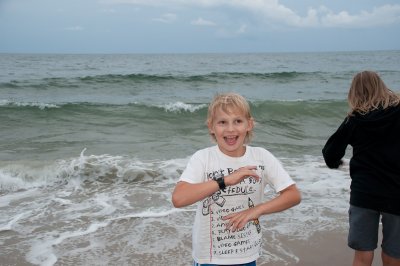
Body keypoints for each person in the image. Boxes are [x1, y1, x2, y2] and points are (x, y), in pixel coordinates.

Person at [172, 92, 301, 265]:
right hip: (210, 258)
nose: (231, 129)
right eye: (222, 122)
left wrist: (256, 210)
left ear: (249, 124)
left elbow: (293, 195)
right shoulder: (203, 158)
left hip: (247, 255)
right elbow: (179, 198)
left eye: (238, 121)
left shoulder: (261, 157)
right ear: (211, 126)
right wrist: (224, 180)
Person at [322, 71, 400, 266]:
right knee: (394, 253)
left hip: (364, 193)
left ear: (354, 92)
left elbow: (330, 152)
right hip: (397, 192)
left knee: (363, 254)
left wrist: (337, 164)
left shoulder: (355, 119)